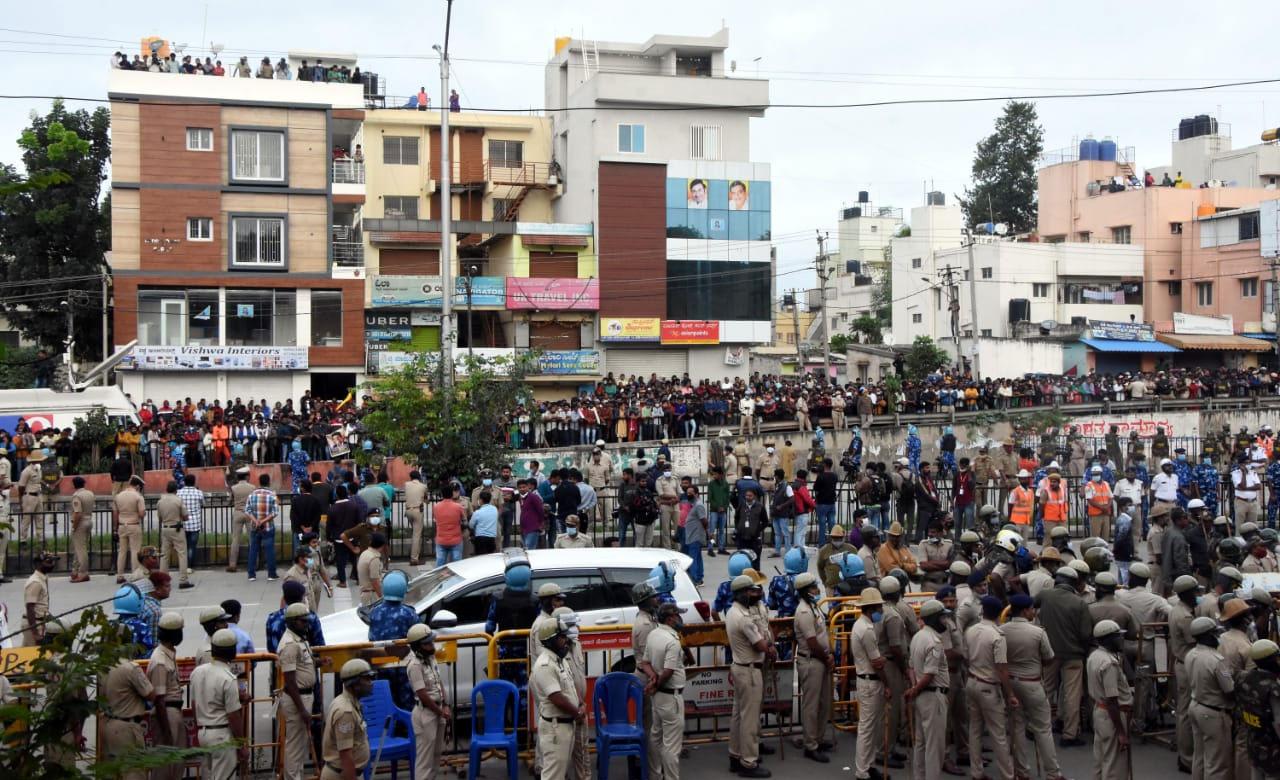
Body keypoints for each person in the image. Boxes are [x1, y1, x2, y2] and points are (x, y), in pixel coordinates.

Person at [1002, 593, 1066, 780]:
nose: (1033, 612)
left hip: (1011, 683)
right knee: (1043, 729)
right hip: (1032, 683)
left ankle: (1022, 771)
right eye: (1031, 609)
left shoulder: (1002, 630)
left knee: (1017, 728)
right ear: (1025, 610)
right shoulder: (1038, 632)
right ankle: (1053, 773)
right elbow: (1048, 658)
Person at [1036, 567, 1091, 747]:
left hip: (1049, 653)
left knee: (1045, 691)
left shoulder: (1045, 595)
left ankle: (1036, 727)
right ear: (1074, 583)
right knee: (1072, 695)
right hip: (1073, 655)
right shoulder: (1079, 603)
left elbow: (1029, 605)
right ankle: (1069, 734)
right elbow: (1085, 634)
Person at [726, 574, 772, 777]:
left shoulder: (733, 611)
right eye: (751, 591)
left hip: (740, 666)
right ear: (743, 594)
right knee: (750, 719)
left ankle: (735, 756)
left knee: (739, 716)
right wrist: (769, 645)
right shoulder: (744, 618)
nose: (756, 594)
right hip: (749, 670)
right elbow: (761, 644)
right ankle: (748, 762)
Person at [102, 617, 157, 780]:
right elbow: (151, 694)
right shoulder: (130, 668)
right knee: (134, 772)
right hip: (127, 726)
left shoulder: (102, 666)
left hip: (108, 724)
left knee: (112, 772)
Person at [190, 628, 249, 779]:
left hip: (203, 732)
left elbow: (194, 703)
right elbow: (233, 715)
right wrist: (241, 745)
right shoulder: (228, 678)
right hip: (221, 735)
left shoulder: (197, 672)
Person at [530, 618, 584, 780]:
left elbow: (571, 688)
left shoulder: (559, 659)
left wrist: (580, 703)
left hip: (566, 725)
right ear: (552, 640)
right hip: (555, 728)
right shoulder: (545, 665)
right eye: (562, 637)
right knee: (553, 775)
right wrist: (577, 712)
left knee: (559, 773)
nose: (566, 640)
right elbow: (556, 698)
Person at [1186, 616, 1234, 779]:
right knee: (1217, 763)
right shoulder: (1217, 660)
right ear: (1208, 635)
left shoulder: (1191, 653)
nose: (1218, 637)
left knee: (1199, 757)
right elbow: (1229, 689)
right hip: (1213, 712)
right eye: (1215, 633)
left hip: (1195, 706)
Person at [792, 572, 833, 763]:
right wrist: (826, 658)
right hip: (812, 660)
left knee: (825, 702)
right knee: (811, 705)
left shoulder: (813, 607)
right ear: (806, 591)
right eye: (813, 587)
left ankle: (818, 738)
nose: (817, 589)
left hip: (821, 659)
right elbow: (812, 642)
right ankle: (811, 745)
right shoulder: (804, 611)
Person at [849, 586, 888, 780]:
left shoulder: (862, 625)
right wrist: (887, 683)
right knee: (866, 728)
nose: (881, 611)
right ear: (871, 609)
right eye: (879, 608)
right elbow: (877, 663)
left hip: (867, 680)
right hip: (870, 681)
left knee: (870, 727)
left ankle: (868, 765)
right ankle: (862, 771)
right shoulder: (866, 630)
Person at [275, 602, 317, 780]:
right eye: (302, 621)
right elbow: (290, 682)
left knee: (300, 744)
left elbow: (301, 665)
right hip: (298, 698)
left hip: (305, 694)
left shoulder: (300, 638)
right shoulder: (290, 644)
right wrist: (302, 710)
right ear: (292, 622)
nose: (306, 624)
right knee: (294, 745)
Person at [646, 602, 687, 780]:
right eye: (678, 615)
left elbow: (645, 662)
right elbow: (668, 671)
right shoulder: (672, 641)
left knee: (656, 736)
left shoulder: (654, 634)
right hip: (670, 696)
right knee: (671, 745)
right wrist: (656, 682)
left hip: (658, 696)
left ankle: (655, 775)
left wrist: (653, 680)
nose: (680, 618)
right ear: (671, 618)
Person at [1087, 619, 1132, 779]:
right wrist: (1121, 732)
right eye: (1117, 636)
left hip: (1100, 711)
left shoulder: (1095, 656)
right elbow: (1112, 700)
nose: (1121, 639)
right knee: (1114, 766)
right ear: (1108, 639)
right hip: (1112, 715)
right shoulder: (1108, 663)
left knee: (1101, 760)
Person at [406, 623, 450, 780]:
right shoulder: (414, 665)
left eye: (431, 642)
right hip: (426, 713)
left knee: (435, 757)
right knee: (425, 761)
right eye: (427, 643)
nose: (431, 645)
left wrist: (445, 705)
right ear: (417, 646)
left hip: (438, 710)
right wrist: (440, 712)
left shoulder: (431, 657)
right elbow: (423, 694)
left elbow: (439, 683)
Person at [323, 660, 376, 780]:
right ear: (355, 684)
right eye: (367, 679)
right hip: (342, 775)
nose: (371, 683)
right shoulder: (345, 712)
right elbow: (346, 756)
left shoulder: (350, 702)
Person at [1169, 574, 1199, 771]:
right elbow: (1196, 640)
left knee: (1183, 710)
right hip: (1187, 664)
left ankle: (1185, 754)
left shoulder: (1178, 608)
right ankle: (1187, 757)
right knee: (1186, 712)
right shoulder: (1185, 616)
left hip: (1181, 662)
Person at [1238, 639, 1280, 779]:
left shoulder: (1245, 678)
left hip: (1253, 739)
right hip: (1272, 746)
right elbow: (1278, 722)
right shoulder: (1273, 687)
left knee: (1256, 774)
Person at [156, 480, 193, 589]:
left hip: (165, 528)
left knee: (164, 556)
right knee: (182, 554)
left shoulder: (160, 501)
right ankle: (183, 580)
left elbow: (160, 518)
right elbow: (185, 516)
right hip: (177, 529)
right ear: (176, 490)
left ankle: (162, 580)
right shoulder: (178, 500)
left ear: (166, 489)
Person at [244, 473, 279, 581]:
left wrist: (256, 521)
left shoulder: (252, 494)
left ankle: (251, 574)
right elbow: (275, 512)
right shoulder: (272, 495)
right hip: (268, 526)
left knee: (253, 549)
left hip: (255, 526)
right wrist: (263, 521)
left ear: (259, 482)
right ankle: (271, 574)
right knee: (269, 550)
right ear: (268, 482)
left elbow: (247, 510)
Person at [114, 475, 146, 583]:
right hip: (134, 524)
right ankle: (135, 574)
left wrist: (115, 527)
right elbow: (141, 514)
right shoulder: (138, 497)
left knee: (122, 551)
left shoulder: (119, 496)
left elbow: (116, 512)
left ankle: (119, 575)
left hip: (122, 525)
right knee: (135, 550)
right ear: (137, 486)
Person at [227, 467, 256, 573]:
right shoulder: (252, 487)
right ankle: (254, 562)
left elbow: (230, 501)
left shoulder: (234, 488)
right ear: (247, 476)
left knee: (235, 540)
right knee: (252, 539)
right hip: (249, 514)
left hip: (238, 513)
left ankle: (232, 564)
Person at [68, 475, 94, 582]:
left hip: (80, 522)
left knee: (81, 549)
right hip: (89, 520)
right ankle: (75, 570)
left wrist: (74, 527)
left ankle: (83, 572)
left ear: (74, 485)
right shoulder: (90, 493)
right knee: (79, 547)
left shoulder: (77, 496)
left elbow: (77, 513)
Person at [681, 483, 708, 585]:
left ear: (697, 494)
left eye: (691, 493)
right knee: (697, 558)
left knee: (693, 559)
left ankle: (695, 579)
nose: (688, 495)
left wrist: (707, 532)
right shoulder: (693, 505)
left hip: (695, 536)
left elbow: (704, 520)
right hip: (692, 535)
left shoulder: (698, 505)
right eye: (687, 493)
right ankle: (699, 578)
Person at [433, 483, 466, 564]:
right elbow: (464, 521)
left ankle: (441, 577)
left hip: (441, 539)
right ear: (451, 494)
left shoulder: (436, 507)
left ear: (442, 495)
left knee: (440, 564)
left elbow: (435, 520)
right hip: (456, 540)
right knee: (457, 565)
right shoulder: (458, 507)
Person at [404, 471, 428, 565]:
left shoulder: (406, 484)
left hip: (408, 511)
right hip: (418, 511)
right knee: (416, 535)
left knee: (414, 533)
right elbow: (426, 499)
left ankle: (415, 553)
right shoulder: (423, 486)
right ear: (419, 477)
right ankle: (414, 558)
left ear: (411, 477)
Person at [357, 533, 387, 607]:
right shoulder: (374, 559)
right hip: (372, 597)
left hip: (365, 594)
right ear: (382, 546)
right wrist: (381, 597)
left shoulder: (365, 553)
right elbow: (374, 581)